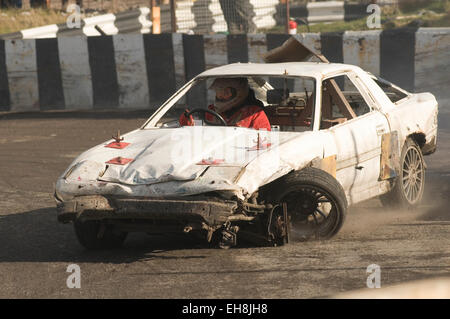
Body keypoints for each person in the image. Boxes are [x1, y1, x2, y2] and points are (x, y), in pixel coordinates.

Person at [179, 77, 271, 131]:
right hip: (213, 156)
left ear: (239, 92)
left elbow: (263, 141)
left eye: (225, 92)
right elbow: (198, 133)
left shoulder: (254, 113)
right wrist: (188, 124)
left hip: (242, 157)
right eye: (218, 92)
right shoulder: (211, 111)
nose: (220, 96)